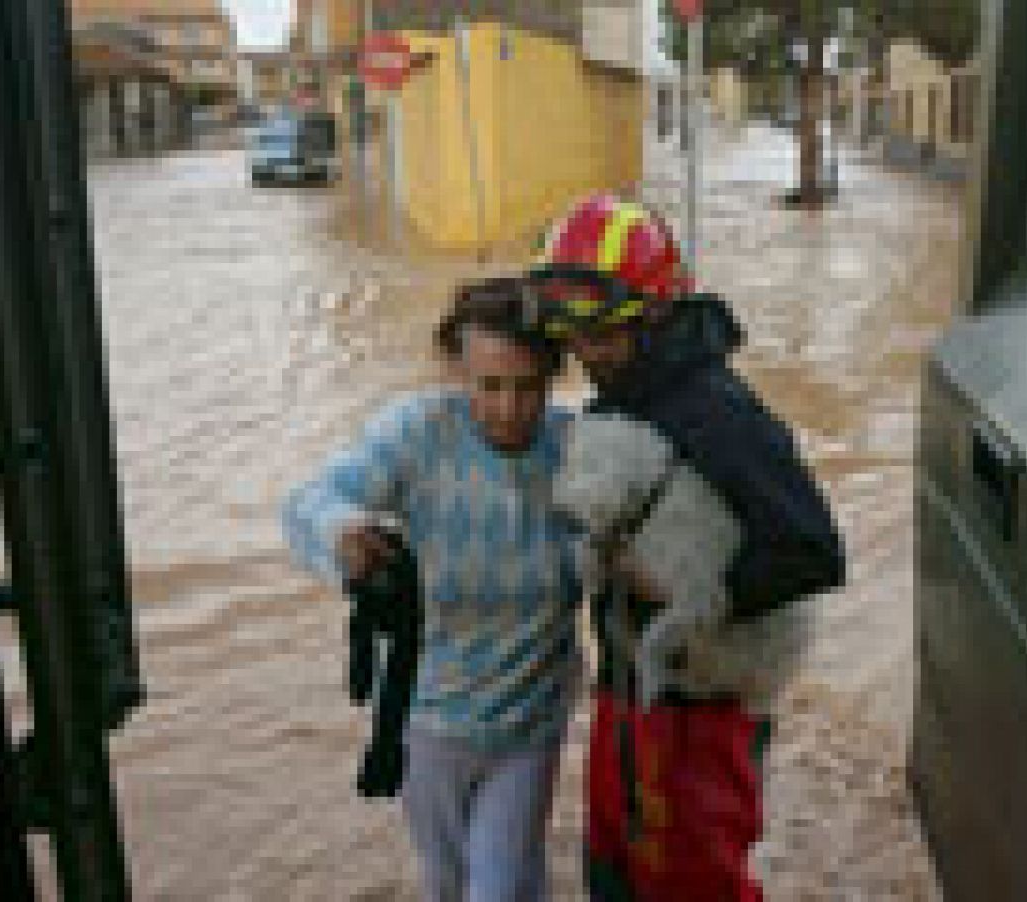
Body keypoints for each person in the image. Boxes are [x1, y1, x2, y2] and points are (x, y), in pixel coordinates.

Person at [529, 195, 847, 900]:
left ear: (654, 313)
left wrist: (690, 594)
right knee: (614, 871)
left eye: (602, 337)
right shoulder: (628, 391)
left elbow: (814, 552)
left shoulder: (716, 411)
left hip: (702, 715)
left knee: (695, 882)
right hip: (631, 689)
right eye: (574, 339)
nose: (586, 356)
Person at [283, 277, 580, 902]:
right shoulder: (417, 434)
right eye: (488, 386)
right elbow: (310, 501)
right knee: (450, 883)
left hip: (530, 720)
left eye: (529, 387)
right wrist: (344, 534)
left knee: (495, 885)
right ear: (456, 369)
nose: (508, 409)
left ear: (554, 374)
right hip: (431, 719)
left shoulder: (580, 449)